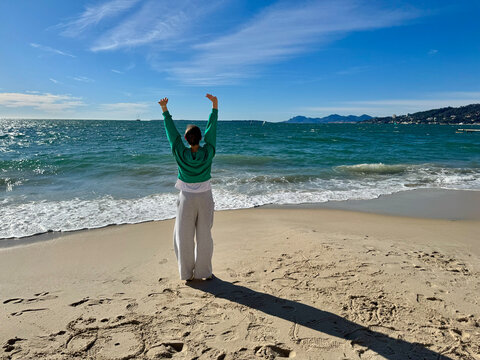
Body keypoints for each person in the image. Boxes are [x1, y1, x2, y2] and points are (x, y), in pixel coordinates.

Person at [158, 94, 218, 282]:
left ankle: (186, 274)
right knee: (204, 236)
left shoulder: (180, 153)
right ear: (201, 138)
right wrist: (214, 107)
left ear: (186, 138)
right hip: (205, 197)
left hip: (186, 198)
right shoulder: (208, 152)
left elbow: (172, 135)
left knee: (183, 236)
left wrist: (165, 110)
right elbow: (212, 131)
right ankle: (204, 273)